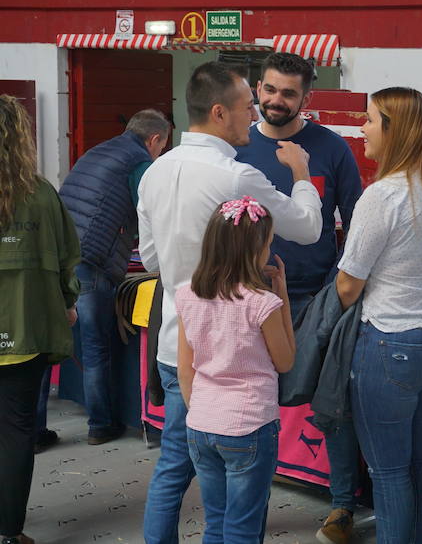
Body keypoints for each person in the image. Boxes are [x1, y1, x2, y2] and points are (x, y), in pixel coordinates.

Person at [138, 61, 323, 544]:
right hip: (234, 357)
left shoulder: (155, 171)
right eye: (247, 107)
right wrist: (301, 174)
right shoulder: (237, 176)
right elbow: (307, 227)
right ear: (219, 113)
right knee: (239, 502)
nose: (255, 115)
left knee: (174, 471)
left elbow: (153, 259)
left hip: (176, 346)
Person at [233, 53, 363, 543]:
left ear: (307, 98)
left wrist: (337, 286)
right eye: (268, 89)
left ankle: (343, 504)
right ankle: (251, 506)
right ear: (257, 88)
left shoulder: (331, 148)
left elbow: (356, 221)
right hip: (250, 298)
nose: (275, 101)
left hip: (315, 298)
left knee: (332, 403)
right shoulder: (238, 147)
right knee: (252, 403)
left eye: (288, 93)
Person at [335, 87, 422, 544]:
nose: (361, 129)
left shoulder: (383, 197)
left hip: (388, 340)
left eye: (368, 120)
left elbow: (348, 284)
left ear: (394, 129)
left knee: (387, 472)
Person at [175, 197, 294, 542]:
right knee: (243, 527)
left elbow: (186, 369)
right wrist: (281, 295)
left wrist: (200, 411)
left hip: (200, 424)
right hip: (249, 425)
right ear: (253, 250)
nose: (270, 252)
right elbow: (285, 361)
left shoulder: (188, 296)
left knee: (216, 524)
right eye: (268, 244)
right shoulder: (262, 303)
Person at [58, 108, 170, 445]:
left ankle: (33, 432)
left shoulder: (99, 150)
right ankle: (101, 425)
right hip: (91, 261)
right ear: (154, 139)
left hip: (61, 254)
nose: (160, 153)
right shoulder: (139, 163)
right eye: (162, 147)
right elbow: (150, 212)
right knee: (96, 348)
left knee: (51, 346)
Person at [0, 95, 80, 544]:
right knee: (14, 433)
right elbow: (69, 259)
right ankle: (10, 532)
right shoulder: (40, 193)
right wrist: (68, 300)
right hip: (24, 334)